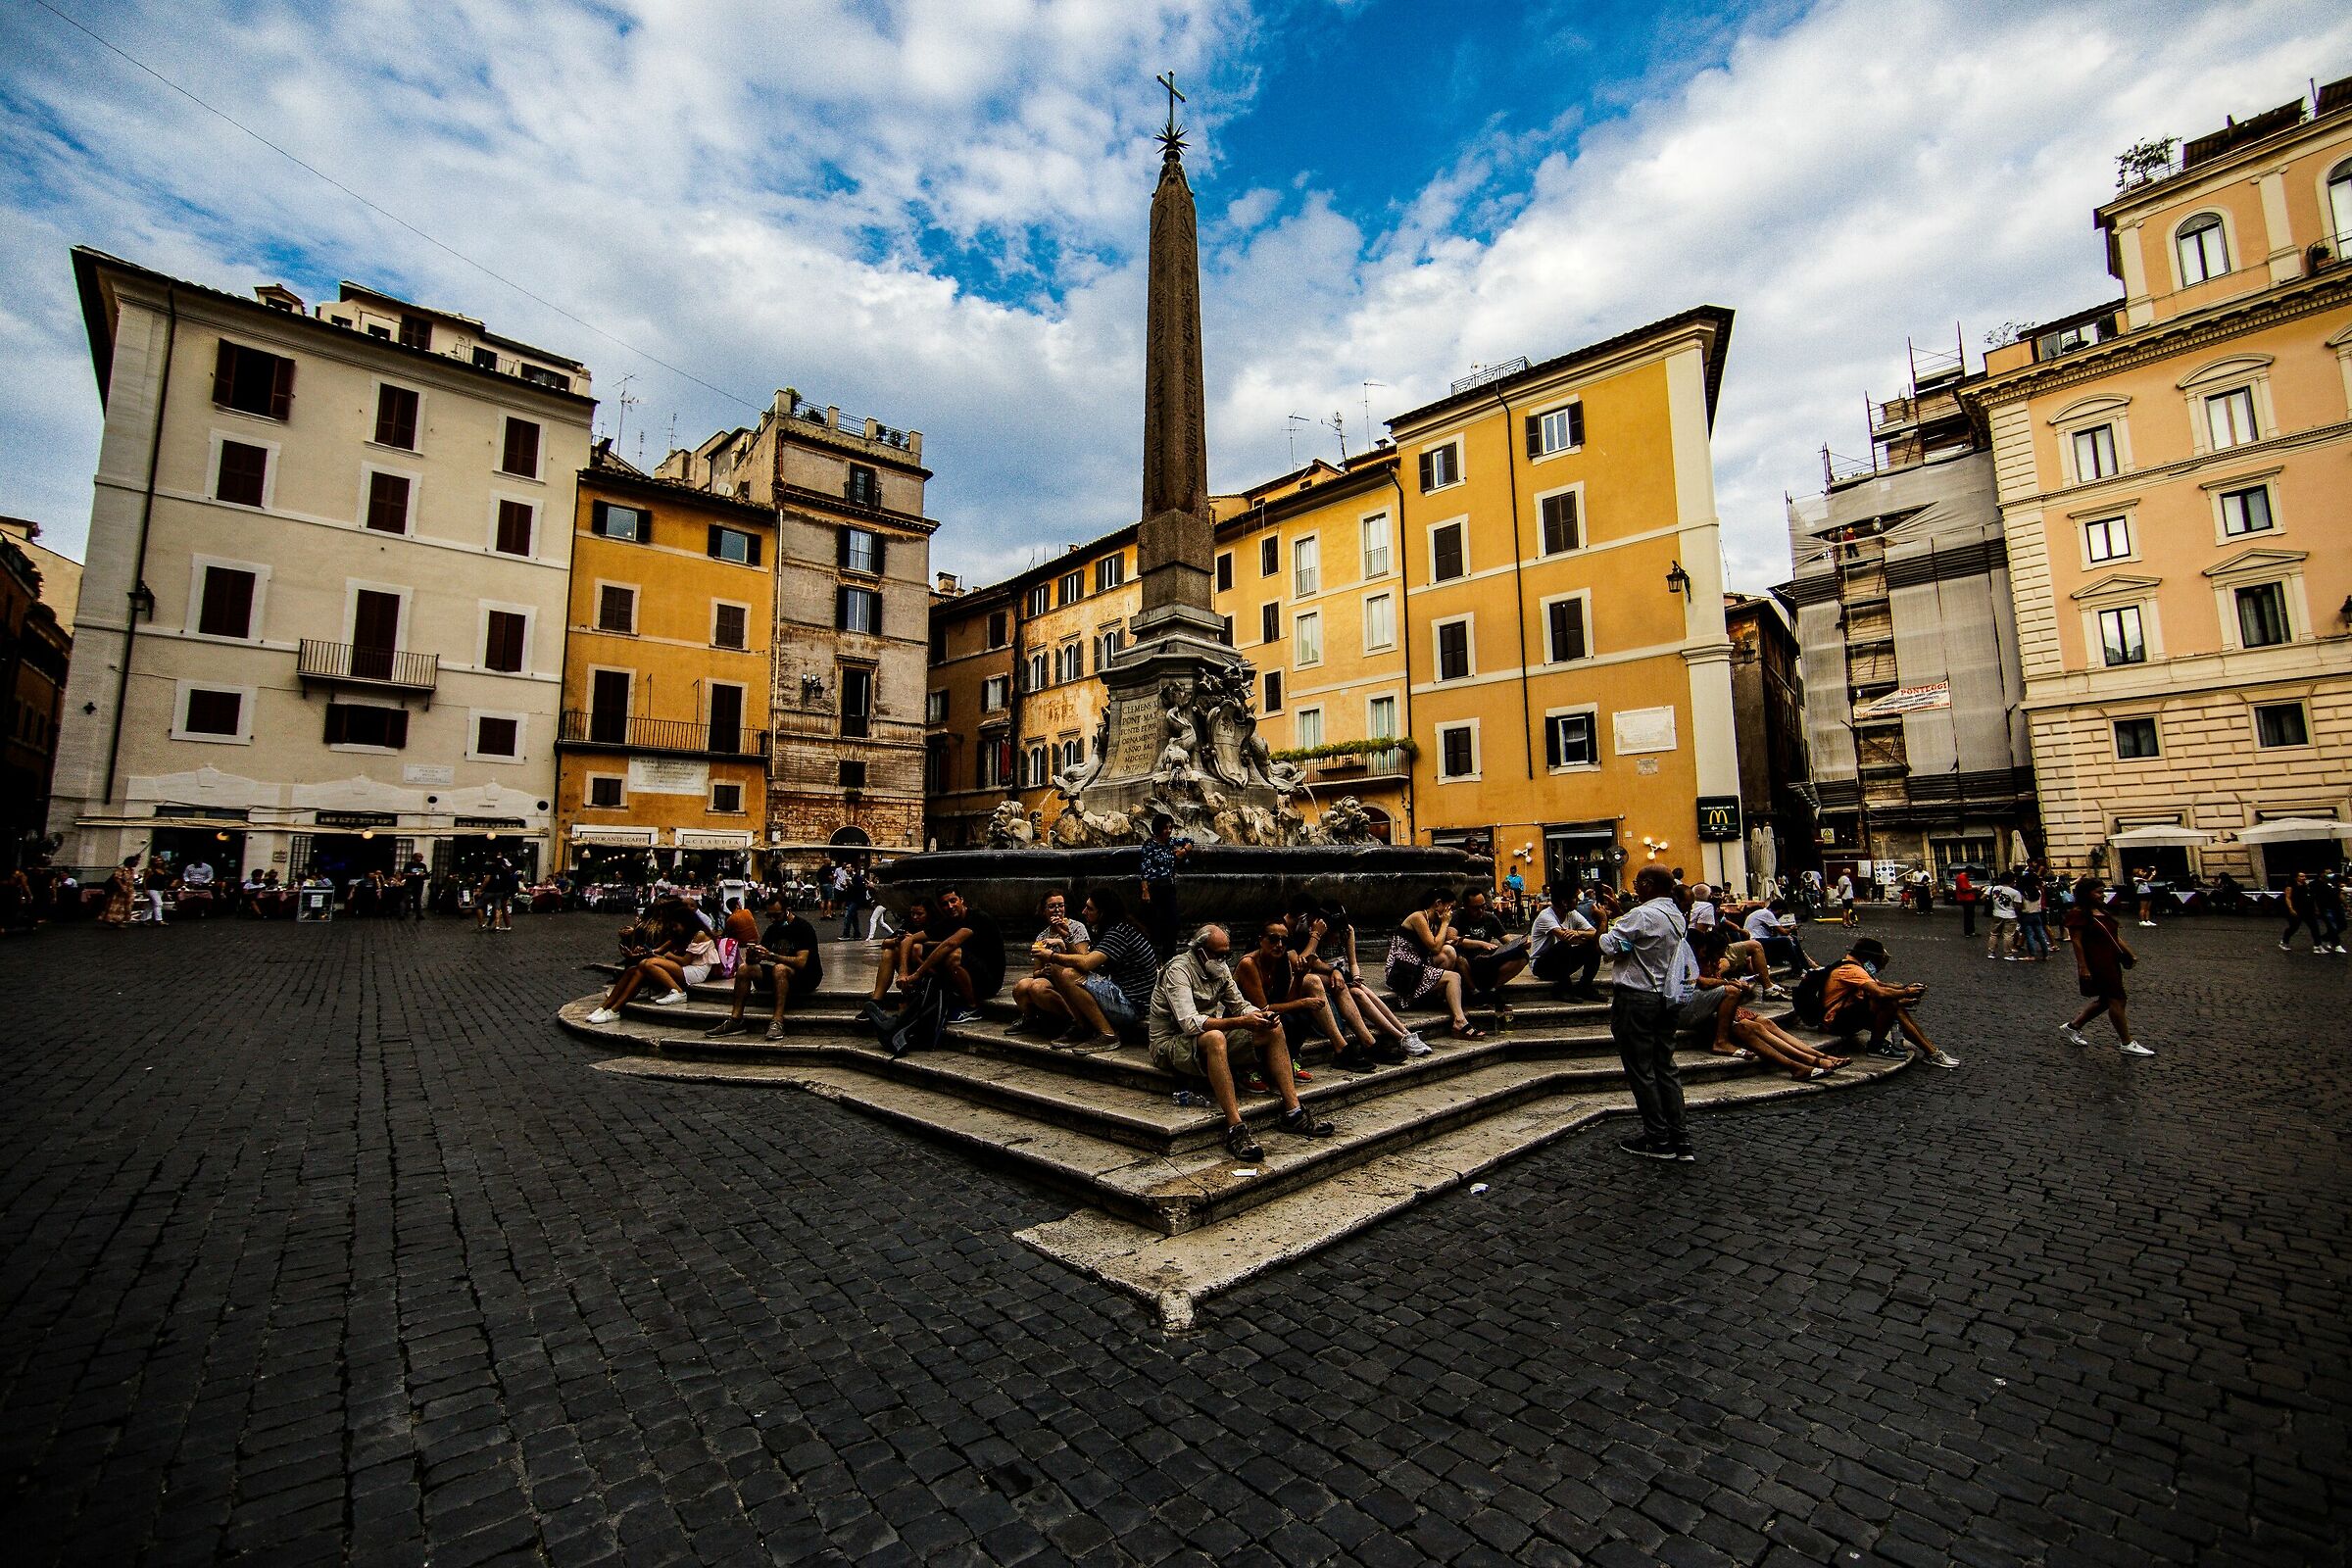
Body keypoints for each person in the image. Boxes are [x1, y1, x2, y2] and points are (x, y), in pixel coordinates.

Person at [1150, 923, 1335, 1161]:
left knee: (1273, 1028)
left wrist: (1259, 1015)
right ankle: (1235, 1128)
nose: (1224, 959)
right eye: (1219, 954)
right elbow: (1190, 1023)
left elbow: (1239, 1004)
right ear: (1201, 950)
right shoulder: (1179, 971)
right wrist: (1241, 1022)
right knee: (1216, 1037)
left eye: (1227, 954)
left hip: (1201, 1038)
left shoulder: (1220, 967)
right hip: (1170, 1044)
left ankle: (1294, 1111)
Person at [1598, 866, 1694, 1161]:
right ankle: (1680, 1137)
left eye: (1638, 882)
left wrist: (1603, 922)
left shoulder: (1642, 915)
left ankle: (1658, 1139)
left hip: (1637, 999)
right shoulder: (1676, 915)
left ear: (1649, 884)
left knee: (1642, 1071)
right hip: (1667, 999)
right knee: (1665, 1067)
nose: (1635, 887)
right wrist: (1620, 913)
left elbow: (1608, 945)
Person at [1026, 888, 1159, 1053]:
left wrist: (1051, 955)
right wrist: (1066, 938)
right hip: (1121, 995)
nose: (1084, 912)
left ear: (1103, 913)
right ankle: (1082, 1027)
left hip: (1131, 1007)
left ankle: (1108, 1034)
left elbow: (1085, 963)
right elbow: (1083, 963)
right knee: (1057, 969)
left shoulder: (1119, 932)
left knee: (1068, 973)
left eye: (1089, 908)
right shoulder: (1113, 929)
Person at [1237, 920, 1359, 1072]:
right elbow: (1263, 1008)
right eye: (1273, 939)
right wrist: (1303, 1002)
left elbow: (1287, 1000)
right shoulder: (1249, 964)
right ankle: (1253, 1069)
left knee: (1301, 1018)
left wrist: (1300, 977)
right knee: (1283, 1020)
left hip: (1269, 1012)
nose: (1280, 945)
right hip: (1246, 1016)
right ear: (1261, 940)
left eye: (1285, 941)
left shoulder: (1283, 960)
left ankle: (1290, 1059)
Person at [1820, 937, 1959, 1068]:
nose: (1881, 967)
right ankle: (1878, 1046)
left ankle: (1932, 1051)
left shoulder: (1854, 966)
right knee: (1889, 1003)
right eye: (1879, 961)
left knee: (1894, 1005)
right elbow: (1880, 992)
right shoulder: (1851, 970)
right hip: (1834, 1020)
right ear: (1869, 958)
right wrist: (1907, 992)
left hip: (1843, 1015)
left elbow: (1882, 985)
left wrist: (1906, 988)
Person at [2058, 876, 2151, 1056]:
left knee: (2105, 1000)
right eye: (2098, 892)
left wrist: (2130, 953)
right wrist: (2083, 967)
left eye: (2103, 891)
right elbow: (2077, 943)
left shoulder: (2101, 911)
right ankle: (2126, 1042)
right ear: (2087, 894)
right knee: (2117, 999)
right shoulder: (2078, 914)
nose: (2103, 895)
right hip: (2097, 962)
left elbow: (2114, 936)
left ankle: (2073, 1026)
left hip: (2111, 960)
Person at [708, 897, 824, 1041]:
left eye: (777, 915)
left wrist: (771, 956)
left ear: (787, 910)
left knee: (780, 969)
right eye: (770, 915)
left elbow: (801, 962)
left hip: (806, 976)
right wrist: (753, 956)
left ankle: (777, 1020)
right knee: (744, 969)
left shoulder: (802, 928)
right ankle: (736, 1019)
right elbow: (763, 955)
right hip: (780, 973)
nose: (773, 919)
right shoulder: (773, 929)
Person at [1386, 888, 1479, 1040]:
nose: (1451, 913)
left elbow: (1436, 949)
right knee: (1454, 977)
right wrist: (1445, 923)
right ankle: (1460, 1022)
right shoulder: (1418, 917)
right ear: (1438, 904)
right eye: (1450, 907)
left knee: (1448, 951)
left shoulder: (1434, 922)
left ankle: (1436, 995)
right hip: (1403, 970)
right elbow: (1434, 946)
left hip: (1418, 963)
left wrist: (1451, 940)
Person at [902, 888, 1004, 1025]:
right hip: (966, 972)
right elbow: (908, 940)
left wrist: (917, 974)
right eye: (945, 904)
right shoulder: (948, 921)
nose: (950, 906)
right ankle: (933, 990)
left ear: (961, 900)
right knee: (916, 949)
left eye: (953, 901)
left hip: (989, 979)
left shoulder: (977, 917)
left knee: (953, 955)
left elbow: (950, 944)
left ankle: (972, 1007)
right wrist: (903, 973)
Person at [1010, 892, 1092, 1035]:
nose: (1057, 910)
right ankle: (1030, 1019)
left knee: (1037, 987)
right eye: (1052, 906)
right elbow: (1036, 972)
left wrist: (1062, 942)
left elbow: (1082, 960)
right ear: (1044, 911)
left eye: (1060, 905)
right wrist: (1043, 972)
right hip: (1050, 978)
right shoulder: (1042, 936)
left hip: (1071, 977)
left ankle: (1076, 1021)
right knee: (1021, 986)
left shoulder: (1077, 927)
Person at [1452, 888, 1530, 1016]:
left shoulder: (1490, 918)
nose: (1480, 911)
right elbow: (1451, 938)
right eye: (1475, 908)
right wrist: (1481, 943)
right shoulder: (1457, 916)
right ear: (1465, 907)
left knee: (1522, 956)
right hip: (1467, 961)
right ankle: (1474, 992)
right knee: (1458, 958)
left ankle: (1492, 989)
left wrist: (1520, 944)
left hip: (1487, 960)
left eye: (1483, 907)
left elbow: (1507, 941)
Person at [1528, 887, 1603, 1000]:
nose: (1578, 900)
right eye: (1574, 898)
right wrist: (1584, 937)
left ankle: (1584, 987)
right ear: (1564, 902)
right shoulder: (1546, 916)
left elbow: (1595, 934)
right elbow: (1565, 937)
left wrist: (1578, 933)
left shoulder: (1572, 914)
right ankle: (1563, 989)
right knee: (1563, 946)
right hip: (1542, 966)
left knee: (1594, 945)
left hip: (1563, 963)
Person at [1138, 813, 1191, 957]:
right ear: (1158, 828)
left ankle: (1169, 957)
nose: (1168, 830)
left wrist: (1183, 851)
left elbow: (1190, 840)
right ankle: (1152, 958)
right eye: (1165, 827)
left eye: (1170, 827)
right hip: (1154, 888)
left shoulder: (1171, 842)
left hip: (1168, 888)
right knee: (1155, 924)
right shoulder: (1149, 844)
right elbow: (1144, 869)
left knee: (1173, 923)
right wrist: (1145, 890)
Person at [866, 898, 931, 1006]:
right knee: (888, 952)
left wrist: (913, 940)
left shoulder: (936, 924)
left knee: (916, 948)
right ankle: (876, 1000)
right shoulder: (910, 923)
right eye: (912, 914)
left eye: (919, 914)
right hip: (911, 968)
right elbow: (884, 944)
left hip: (928, 968)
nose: (915, 917)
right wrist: (897, 940)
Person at [1740, 899, 1818, 973]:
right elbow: (1783, 932)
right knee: (1786, 940)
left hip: (1758, 939)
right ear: (1780, 911)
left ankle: (1805, 966)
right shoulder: (1767, 914)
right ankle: (1798, 969)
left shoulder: (1764, 913)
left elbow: (1777, 933)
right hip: (1755, 940)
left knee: (1792, 939)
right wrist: (1791, 929)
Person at [2016, 866, 2051, 960]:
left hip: (2026, 914)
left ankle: (2032, 955)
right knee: (2041, 935)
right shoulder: (2038, 891)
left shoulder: (2022, 893)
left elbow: (2019, 905)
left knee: (2029, 935)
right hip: (2037, 914)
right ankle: (2046, 954)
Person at [1985, 872, 2022, 960]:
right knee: (2008, 935)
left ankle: (1991, 952)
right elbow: (2018, 905)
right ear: (2012, 880)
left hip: (1996, 913)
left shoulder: (1993, 888)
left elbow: (1983, 897)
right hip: (2010, 915)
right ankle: (2008, 954)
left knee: (1994, 934)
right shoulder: (2015, 892)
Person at [2316, 872, 2347, 956]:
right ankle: (2336, 944)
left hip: (2337, 907)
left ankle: (2324, 938)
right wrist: (2317, 908)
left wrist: (2347, 906)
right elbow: (2316, 898)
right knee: (2333, 927)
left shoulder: (2335, 885)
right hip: (2327, 908)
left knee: (2343, 926)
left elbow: (2339, 895)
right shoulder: (2321, 886)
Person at [1953, 867, 1979, 937]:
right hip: (1967, 899)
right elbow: (1964, 889)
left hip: (1968, 898)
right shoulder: (1962, 877)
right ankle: (1969, 932)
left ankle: (1971, 931)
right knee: (1969, 916)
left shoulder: (1963, 877)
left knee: (1970, 916)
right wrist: (1975, 888)